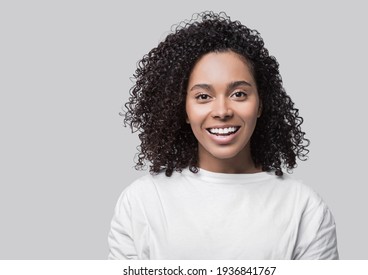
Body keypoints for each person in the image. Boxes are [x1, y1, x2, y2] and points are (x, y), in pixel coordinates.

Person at [108, 11, 339, 260]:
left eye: (238, 94)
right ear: (183, 109)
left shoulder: (304, 207)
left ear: (260, 104)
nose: (222, 111)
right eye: (203, 96)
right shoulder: (142, 202)